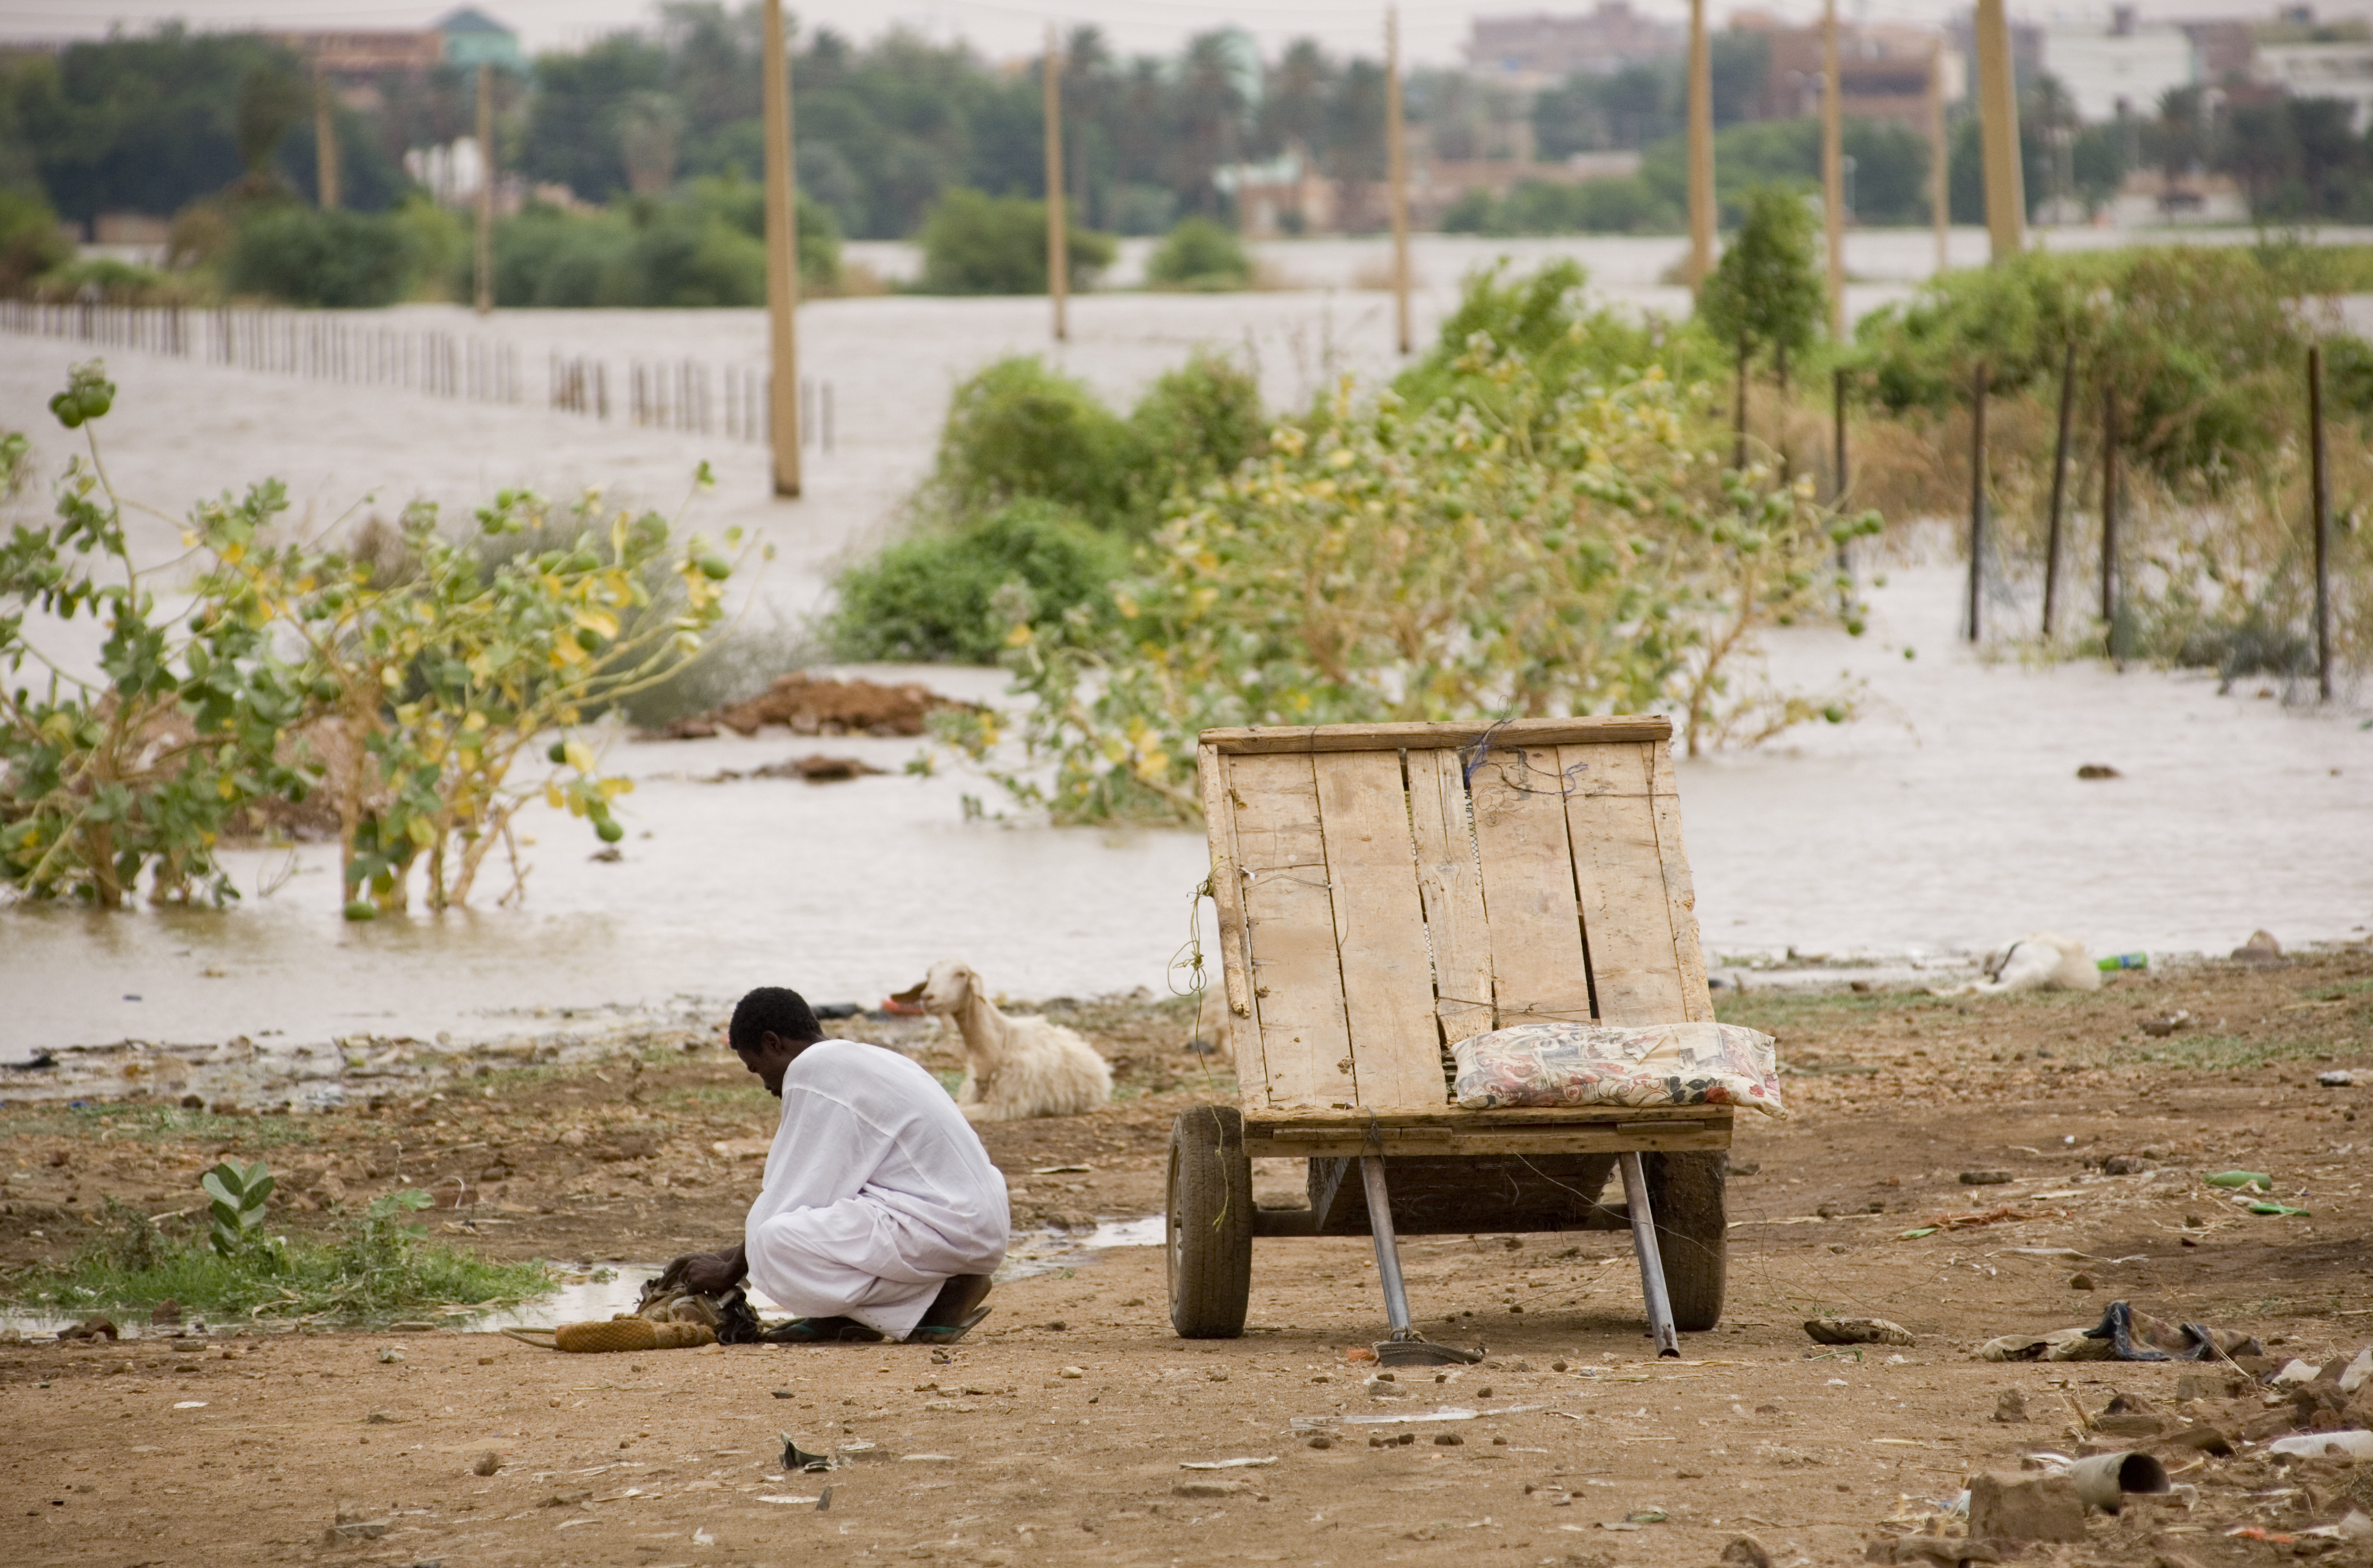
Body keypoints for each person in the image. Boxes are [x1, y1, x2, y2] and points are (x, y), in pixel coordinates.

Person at [659, 986, 1009, 1344]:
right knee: (782, 1233)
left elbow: (791, 1202)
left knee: (774, 1241)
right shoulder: (866, 1058)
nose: (764, 1083)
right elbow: (823, 1197)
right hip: (971, 1223)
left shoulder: (814, 1070)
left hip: (945, 1227)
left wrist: (726, 1272)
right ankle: (856, 1317)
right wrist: (724, 1258)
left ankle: (943, 1297)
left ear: (773, 1043)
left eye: (757, 1067)